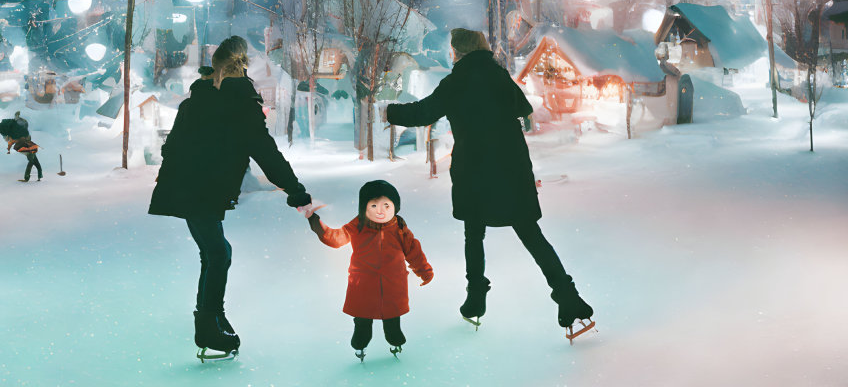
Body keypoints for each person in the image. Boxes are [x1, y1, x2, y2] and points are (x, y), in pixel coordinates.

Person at [386, 28, 594, 335]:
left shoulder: (456, 82)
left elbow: (423, 113)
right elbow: (524, 109)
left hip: (475, 170)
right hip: (511, 168)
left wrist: (388, 111)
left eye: (452, 49)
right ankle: (568, 297)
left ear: (458, 51)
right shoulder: (498, 76)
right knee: (531, 234)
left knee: (474, 233)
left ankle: (475, 299)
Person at [149, 38, 313, 358]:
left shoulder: (194, 101)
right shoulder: (241, 104)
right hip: (203, 190)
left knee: (215, 253)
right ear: (244, 64)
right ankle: (208, 326)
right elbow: (266, 153)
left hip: (186, 186)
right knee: (218, 254)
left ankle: (211, 316)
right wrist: (294, 189)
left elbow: (170, 147)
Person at [306, 179, 433, 360]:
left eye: (386, 205)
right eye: (374, 205)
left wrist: (424, 271)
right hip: (363, 284)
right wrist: (315, 222)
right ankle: (360, 344)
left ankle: (395, 341)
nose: (380, 211)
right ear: (364, 207)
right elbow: (335, 238)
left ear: (395, 207)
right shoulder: (357, 226)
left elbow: (414, 251)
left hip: (393, 284)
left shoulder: (399, 229)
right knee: (362, 320)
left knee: (392, 319)